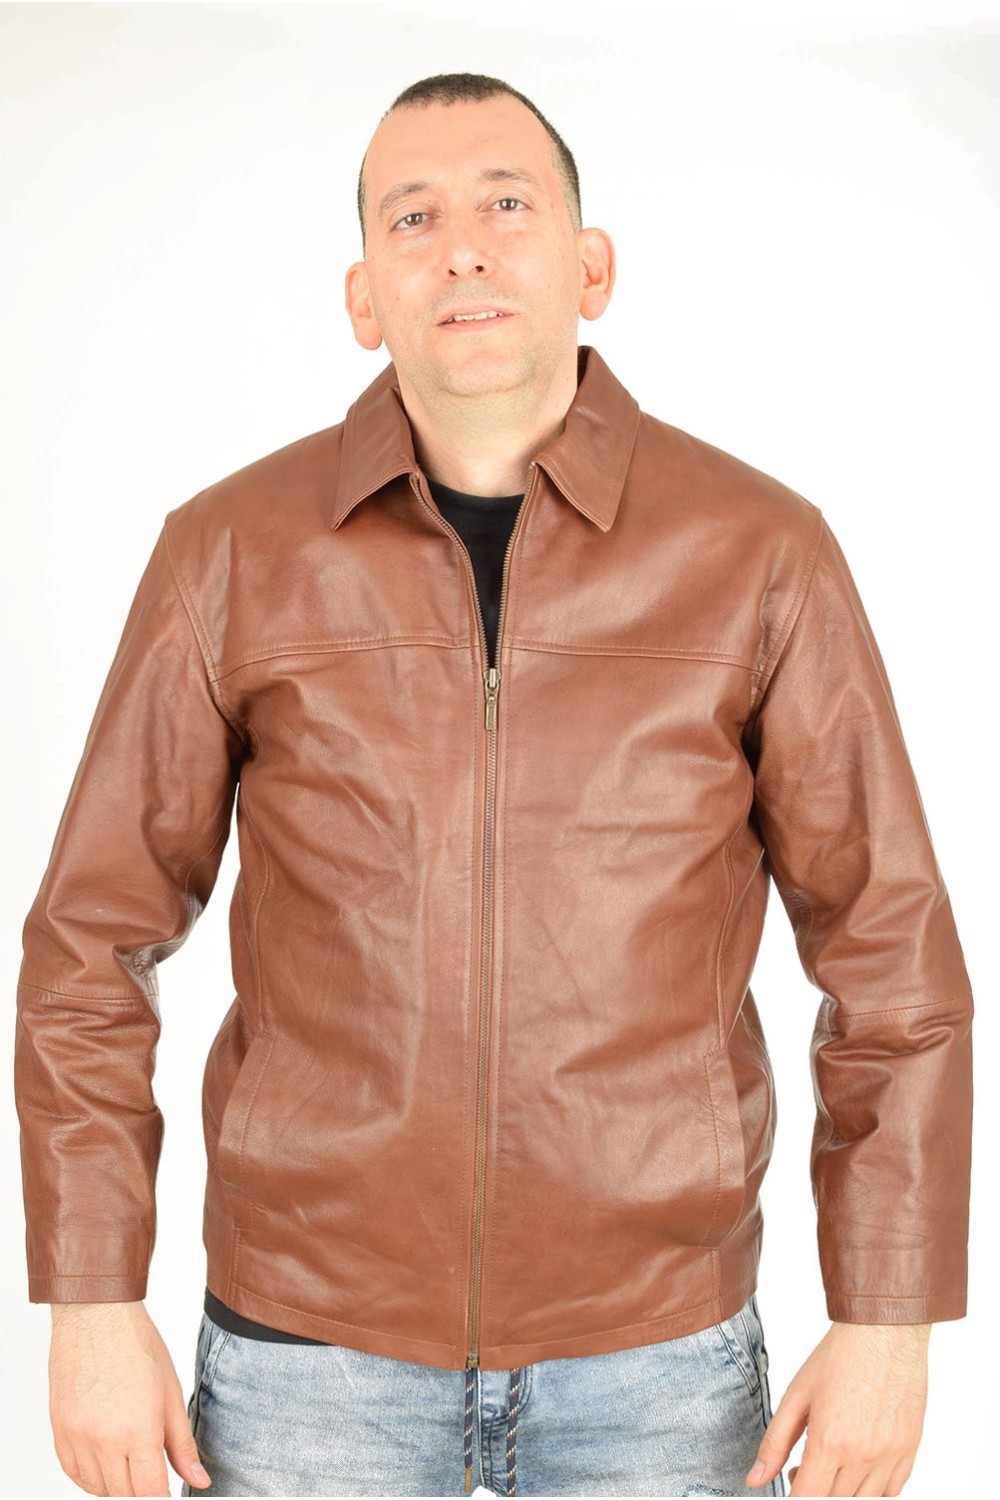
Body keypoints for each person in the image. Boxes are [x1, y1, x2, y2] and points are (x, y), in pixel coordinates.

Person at [15, 71, 973, 1500]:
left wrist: (889, 1318)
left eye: (506, 205)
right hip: (305, 1355)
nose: (461, 247)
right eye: (414, 217)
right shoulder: (229, 553)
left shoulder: (761, 554)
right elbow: (89, 944)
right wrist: (91, 1303)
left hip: (658, 1361)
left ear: (591, 269)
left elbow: (890, 956)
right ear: (363, 297)